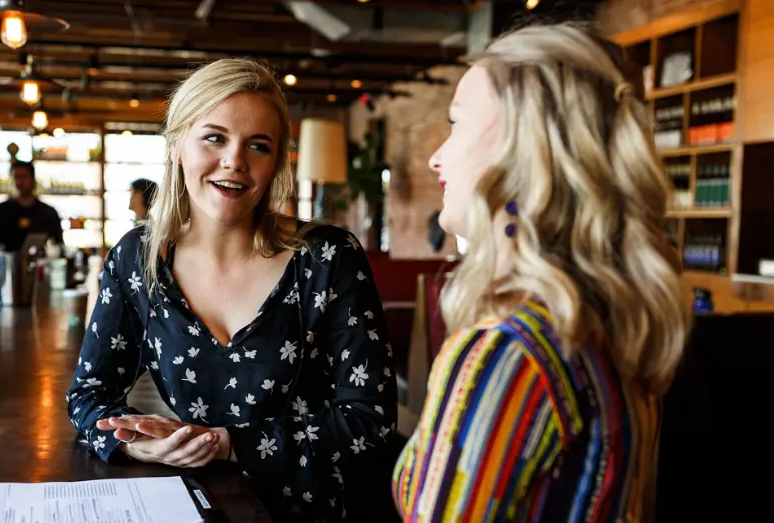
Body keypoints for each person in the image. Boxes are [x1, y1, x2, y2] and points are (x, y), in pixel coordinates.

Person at [68, 58, 399, 521]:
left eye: (257, 146)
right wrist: (139, 444)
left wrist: (227, 444)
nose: (235, 161)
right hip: (195, 506)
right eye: (214, 137)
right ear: (178, 144)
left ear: (275, 163)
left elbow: (372, 422)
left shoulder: (328, 258)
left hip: (313, 509)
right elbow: (88, 395)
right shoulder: (136, 258)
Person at [392, 23, 690, 522]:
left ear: (524, 148)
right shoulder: (604, 324)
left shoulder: (509, 350)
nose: (435, 157)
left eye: (457, 123)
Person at [0, 161, 64, 252]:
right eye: (16, 177)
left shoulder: (47, 213)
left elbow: (58, 245)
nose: (19, 182)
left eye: (23, 177)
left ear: (33, 179)